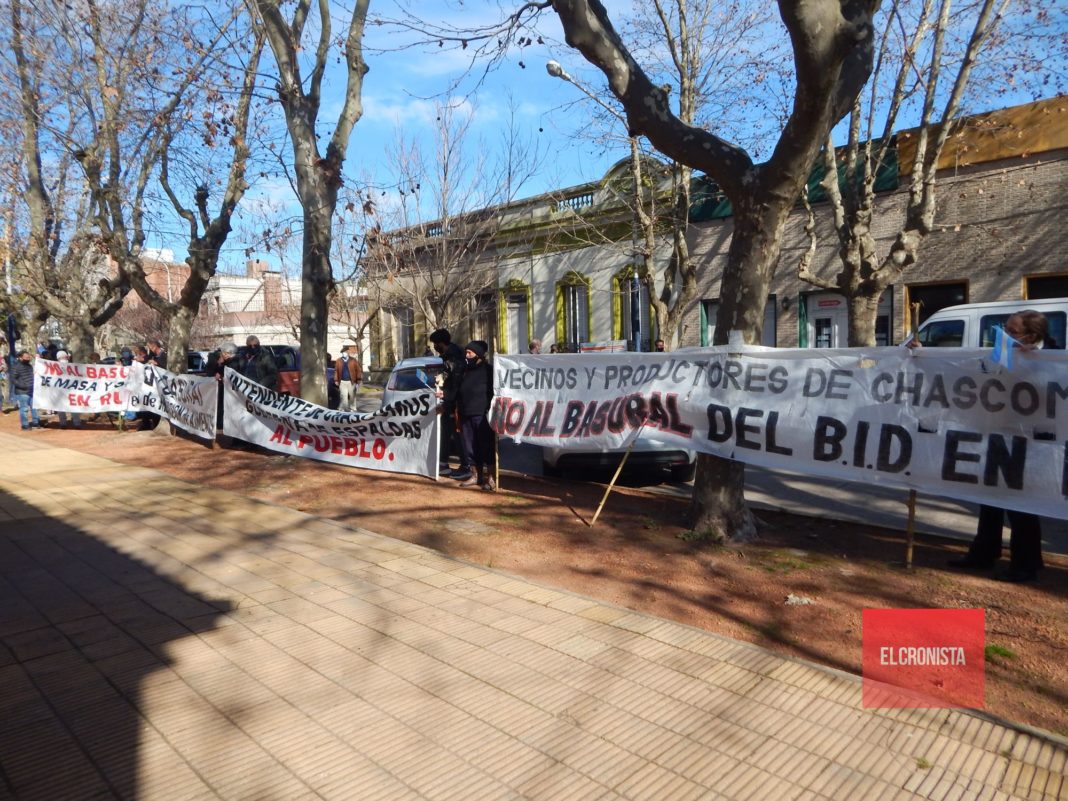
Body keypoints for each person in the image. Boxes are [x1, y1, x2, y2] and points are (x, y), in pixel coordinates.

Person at [948, 310, 1050, 583]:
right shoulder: (1001, 354)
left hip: (1029, 443)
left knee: (1022, 505)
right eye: (1003, 328)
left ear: (1030, 336)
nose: (1003, 335)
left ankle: (1025, 565)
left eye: (1011, 330)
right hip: (996, 433)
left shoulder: (1051, 361)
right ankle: (984, 552)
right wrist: (920, 354)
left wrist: (1028, 365)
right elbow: (967, 368)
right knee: (989, 498)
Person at [455, 341, 496, 491]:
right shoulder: (464, 370)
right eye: (466, 353)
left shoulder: (489, 371)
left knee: (486, 446)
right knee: (469, 447)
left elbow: (495, 392)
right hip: (465, 414)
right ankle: (475, 475)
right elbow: (456, 389)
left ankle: (491, 477)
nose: (466, 356)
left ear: (478, 355)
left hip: (483, 415)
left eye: (469, 353)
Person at [428, 328, 465, 474]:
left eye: (436, 344)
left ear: (441, 343)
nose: (435, 348)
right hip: (450, 400)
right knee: (448, 433)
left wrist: (447, 401)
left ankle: (465, 466)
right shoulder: (449, 356)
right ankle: (445, 463)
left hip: (454, 404)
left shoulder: (454, 357)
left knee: (456, 434)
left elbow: (456, 383)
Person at [54, 350, 84, 429]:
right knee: (73, 406)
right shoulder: (72, 366)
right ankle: (76, 423)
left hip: (61, 390)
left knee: (61, 407)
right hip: (70, 390)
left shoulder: (54, 367)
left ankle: (63, 423)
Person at [12, 350, 40, 430]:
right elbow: (13, 379)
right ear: (21, 357)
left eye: (28, 357)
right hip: (22, 392)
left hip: (31, 390)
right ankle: (25, 425)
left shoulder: (29, 366)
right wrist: (23, 386)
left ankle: (36, 422)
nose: (28, 358)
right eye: (26, 357)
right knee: (24, 409)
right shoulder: (16, 366)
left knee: (34, 408)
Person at [333, 344, 363, 411]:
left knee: (352, 396)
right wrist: (336, 380)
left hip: (351, 381)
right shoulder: (338, 361)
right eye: (342, 353)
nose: (343, 354)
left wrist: (358, 379)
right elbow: (336, 371)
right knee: (343, 396)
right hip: (342, 381)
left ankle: (353, 408)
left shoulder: (353, 360)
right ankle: (345, 409)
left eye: (344, 353)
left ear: (347, 353)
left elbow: (358, 370)